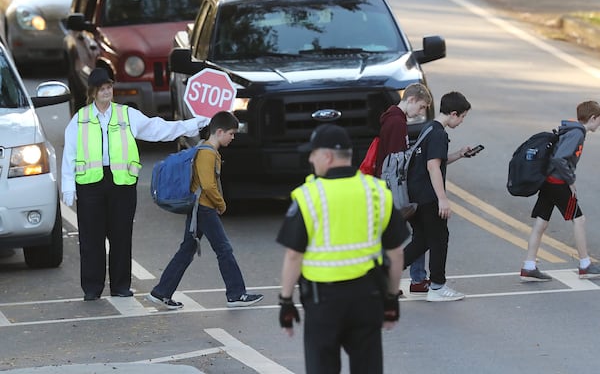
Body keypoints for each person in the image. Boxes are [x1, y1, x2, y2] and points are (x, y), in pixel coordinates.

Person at [62, 67, 210, 301]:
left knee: (121, 235)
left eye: (109, 87)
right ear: (93, 92)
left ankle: (121, 285)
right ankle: (92, 288)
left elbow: (158, 128)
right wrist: (68, 186)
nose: (107, 92)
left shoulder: (126, 115)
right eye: (102, 88)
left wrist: (194, 125)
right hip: (90, 185)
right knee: (91, 239)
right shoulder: (80, 119)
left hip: (121, 184)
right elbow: (69, 154)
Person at [276, 124, 409, 374]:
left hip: (323, 302)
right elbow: (396, 253)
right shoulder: (376, 191)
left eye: (312, 154)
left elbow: (294, 255)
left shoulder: (309, 196)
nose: (310, 159)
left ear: (327, 156)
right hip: (367, 297)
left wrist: (285, 301)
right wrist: (391, 300)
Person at [148, 111, 264, 309]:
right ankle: (236, 294)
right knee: (224, 249)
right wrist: (221, 204)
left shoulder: (203, 149)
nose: (232, 137)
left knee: (187, 249)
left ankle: (162, 292)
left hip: (198, 208)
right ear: (219, 132)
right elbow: (208, 185)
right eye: (231, 133)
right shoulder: (208, 153)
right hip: (204, 208)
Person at [402, 91, 474, 302]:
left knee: (422, 240)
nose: (461, 121)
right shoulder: (439, 134)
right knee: (439, 238)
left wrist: (460, 154)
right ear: (453, 113)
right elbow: (433, 166)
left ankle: (387, 272)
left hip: (416, 194)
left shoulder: (428, 129)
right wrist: (442, 199)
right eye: (462, 117)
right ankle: (437, 286)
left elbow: (436, 160)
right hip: (428, 195)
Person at [520, 101, 600, 281]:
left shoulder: (572, 130)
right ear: (593, 118)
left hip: (549, 181)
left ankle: (529, 266)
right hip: (557, 182)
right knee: (579, 219)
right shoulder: (577, 133)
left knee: (541, 222)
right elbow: (559, 158)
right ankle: (585, 264)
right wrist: (570, 180)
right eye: (599, 120)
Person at [375, 82, 433, 295]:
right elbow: (397, 161)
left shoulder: (391, 119)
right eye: (420, 107)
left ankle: (416, 278)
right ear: (411, 99)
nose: (420, 113)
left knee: (411, 232)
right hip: (394, 187)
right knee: (398, 235)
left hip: (385, 184)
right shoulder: (397, 123)